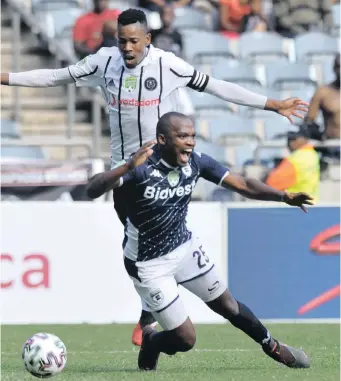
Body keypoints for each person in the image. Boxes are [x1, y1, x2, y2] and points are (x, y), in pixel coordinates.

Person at [0, 8, 309, 347]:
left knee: (157, 239)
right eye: (122, 42)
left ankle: (149, 314)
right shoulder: (104, 62)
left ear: (147, 39)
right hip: (125, 174)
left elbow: (217, 87)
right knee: (144, 241)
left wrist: (272, 104)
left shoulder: (167, 64)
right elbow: (56, 76)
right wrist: (8, 77)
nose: (127, 48)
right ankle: (152, 309)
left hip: (163, 169)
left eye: (134, 41)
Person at [86, 111, 313, 371]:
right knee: (185, 339)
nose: (191, 142)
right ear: (162, 139)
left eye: (192, 136)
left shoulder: (196, 162)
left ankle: (273, 347)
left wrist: (283, 197)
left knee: (228, 304)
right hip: (148, 264)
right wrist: (127, 166)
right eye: (182, 136)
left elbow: (243, 184)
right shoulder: (141, 167)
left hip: (184, 248)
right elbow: (92, 189)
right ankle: (152, 340)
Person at [266, 126, 320, 202]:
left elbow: (271, 185)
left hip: (294, 205)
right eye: (289, 139)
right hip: (312, 203)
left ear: (305, 139)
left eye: (294, 139)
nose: (290, 143)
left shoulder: (295, 159)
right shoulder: (313, 154)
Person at [305, 54, 340, 142]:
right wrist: (319, 137)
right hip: (333, 146)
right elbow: (309, 121)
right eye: (339, 67)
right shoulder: (323, 92)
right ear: (334, 69)